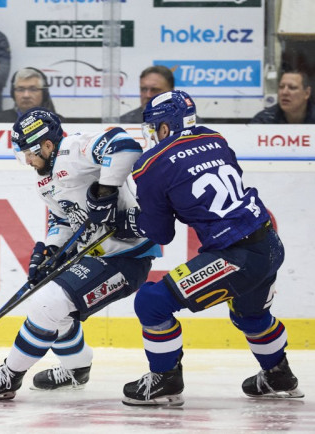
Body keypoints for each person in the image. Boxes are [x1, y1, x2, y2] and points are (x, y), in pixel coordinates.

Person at [118, 90, 303, 406]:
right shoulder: (215, 138)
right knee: (250, 314)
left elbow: (161, 234)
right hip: (270, 242)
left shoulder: (150, 164)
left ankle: (166, 378)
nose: (152, 134)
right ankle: (279, 375)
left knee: (150, 302)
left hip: (237, 255)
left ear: (165, 127)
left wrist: (134, 220)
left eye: (153, 126)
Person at [0, 108, 161, 401]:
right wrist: (51, 250)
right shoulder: (45, 182)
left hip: (126, 257)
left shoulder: (74, 150)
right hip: (93, 254)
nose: (28, 161)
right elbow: (63, 219)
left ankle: (10, 376)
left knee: (49, 303)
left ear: (47, 145)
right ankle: (77, 368)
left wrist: (106, 191)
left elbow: (124, 144)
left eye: (29, 153)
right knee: (57, 311)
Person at [0, 67, 65, 123]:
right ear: (13, 93)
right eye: (20, 89)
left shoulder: (59, 122)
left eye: (33, 89)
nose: (26, 95)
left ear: (44, 93)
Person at [250, 70, 315, 124]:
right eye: (281, 87)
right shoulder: (264, 120)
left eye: (292, 88)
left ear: (307, 93)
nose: (284, 92)